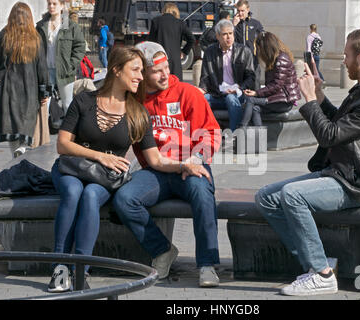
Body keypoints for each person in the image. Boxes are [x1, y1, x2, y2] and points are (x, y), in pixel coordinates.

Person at [48, 45, 203, 293]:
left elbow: (155, 160)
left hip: (104, 180)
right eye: (136, 70)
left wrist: (184, 165)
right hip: (72, 169)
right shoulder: (84, 100)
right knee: (74, 192)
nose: (141, 76)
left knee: (89, 197)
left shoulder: (138, 112)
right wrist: (102, 156)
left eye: (142, 71)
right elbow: (63, 144)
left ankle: (81, 271)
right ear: (116, 70)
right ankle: (59, 269)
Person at [255, 28, 360, 296]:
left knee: (292, 195)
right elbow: (339, 124)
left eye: (346, 55)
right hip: (339, 173)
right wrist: (319, 96)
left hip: (356, 184)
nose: (343, 60)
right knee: (266, 198)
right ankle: (317, 262)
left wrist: (308, 100)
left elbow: (329, 135)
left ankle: (321, 275)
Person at [113, 41, 222, 287]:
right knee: (124, 199)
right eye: (156, 70)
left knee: (203, 195)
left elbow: (211, 132)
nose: (165, 74)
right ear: (143, 73)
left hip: (191, 166)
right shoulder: (135, 101)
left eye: (167, 67)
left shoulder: (187, 92)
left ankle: (207, 264)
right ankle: (162, 251)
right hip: (156, 171)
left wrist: (197, 158)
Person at [0, 2, 48, 158]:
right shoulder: (36, 39)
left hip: (6, 89)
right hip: (29, 90)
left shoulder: (3, 36)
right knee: (25, 126)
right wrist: (44, 91)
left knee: (10, 126)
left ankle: (17, 152)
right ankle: (22, 148)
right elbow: (42, 68)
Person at [198, 19, 255, 131]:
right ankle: (205, 134)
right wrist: (201, 90)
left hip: (237, 94)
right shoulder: (210, 52)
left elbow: (251, 77)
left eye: (230, 33)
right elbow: (205, 77)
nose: (229, 37)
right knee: (202, 100)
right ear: (218, 36)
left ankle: (234, 135)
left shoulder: (244, 51)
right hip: (217, 94)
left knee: (231, 98)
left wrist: (239, 88)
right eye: (225, 34)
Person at [240, 31, 301, 128]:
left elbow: (277, 85)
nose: (258, 52)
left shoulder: (281, 59)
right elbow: (271, 86)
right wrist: (257, 93)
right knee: (255, 108)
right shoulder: (272, 60)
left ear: (266, 48)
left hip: (283, 101)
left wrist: (256, 93)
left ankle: (241, 129)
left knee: (251, 100)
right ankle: (259, 138)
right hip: (276, 98)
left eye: (259, 48)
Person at [36, 0, 86, 114]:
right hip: (46, 72)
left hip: (64, 72)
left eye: (55, 4)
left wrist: (71, 65)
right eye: (49, 3)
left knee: (67, 104)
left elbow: (80, 47)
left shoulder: (71, 26)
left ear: (62, 5)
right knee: (44, 105)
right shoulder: (41, 25)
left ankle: (69, 131)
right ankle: (44, 131)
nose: (51, 6)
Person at [148, 2, 195, 81]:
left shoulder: (156, 21)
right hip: (175, 63)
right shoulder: (180, 23)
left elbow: (150, 42)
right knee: (176, 86)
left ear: (164, 10)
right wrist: (184, 51)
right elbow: (192, 39)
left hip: (160, 60)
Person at [233, 0, 263, 89]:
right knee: (240, 86)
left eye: (242, 11)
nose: (240, 13)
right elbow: (229, 38)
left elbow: (263, 38)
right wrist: (233, 25)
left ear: (248, 10)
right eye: (238, 11)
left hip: (253, 60)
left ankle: (255, 102)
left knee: (255, 85)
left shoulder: (255, 23)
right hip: (239, 60)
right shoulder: (234, 24)